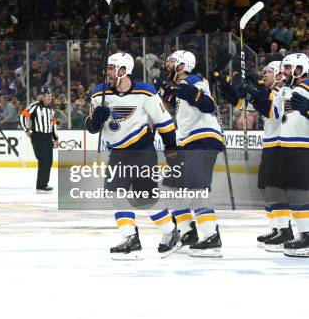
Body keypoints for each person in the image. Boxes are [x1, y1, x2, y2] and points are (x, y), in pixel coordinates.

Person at [85, 53, 179, 259]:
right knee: (115, 194)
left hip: (142, 151)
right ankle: (130, 238)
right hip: (117, 153)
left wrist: (171, 147)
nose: (107, 72)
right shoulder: (99, 93)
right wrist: (96, 120)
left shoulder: (145, 91)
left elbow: (163, 121)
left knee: (143, 200)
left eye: (111, 68)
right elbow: (91, 127)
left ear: (123, 70)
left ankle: (170, 230)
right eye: (107, 68)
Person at [212, 61, 286, 251]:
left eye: (268, 72)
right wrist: (224, 84)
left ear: (279, 74)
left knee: (276, 189)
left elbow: (271, 111)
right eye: (264, 72)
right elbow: (238, 101)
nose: (264, 74)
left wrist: (256, 92)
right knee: (267, 189)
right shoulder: (266, 91)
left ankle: (285, 229)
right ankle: (277, 227)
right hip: (269, 145)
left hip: (281, 145)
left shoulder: (284, 92)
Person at [161, 50, 225, 257]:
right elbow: (179, 102)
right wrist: (167, 94)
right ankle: (188, 231)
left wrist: (188, 92)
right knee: (171, 185)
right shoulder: (180, 86)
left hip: (203, 139)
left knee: (197, 190)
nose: (167, 65)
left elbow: (208, 105)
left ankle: (210, 237)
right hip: (189, 143)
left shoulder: (195, 80)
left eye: (171, 62)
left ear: (182, 65)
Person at [279, 53, 309, 257]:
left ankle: (307, 236)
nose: (286, 72)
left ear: (301, 69)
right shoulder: (289, 90)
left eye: (290, 68)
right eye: (286, 68)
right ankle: (303, 234)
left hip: (302, 148)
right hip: (289, 148)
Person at [19, 87, 59, 193]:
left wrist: (56, 139)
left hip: (48, 137)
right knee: (43, 160)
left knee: (48, 161)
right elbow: (23, 116)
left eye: (51, 96)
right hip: (37, 136)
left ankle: (43, 184)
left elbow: (53, 125)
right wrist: (26, 129)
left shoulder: (51, 110)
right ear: (42, 96)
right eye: (48, 96)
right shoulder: (35, 106)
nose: (50, 98)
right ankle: (41, 185)